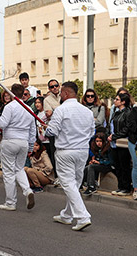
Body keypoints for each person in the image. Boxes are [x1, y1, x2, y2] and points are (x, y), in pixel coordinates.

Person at [45, 80, 95, 231]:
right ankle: (67, 215)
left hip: (66, 151)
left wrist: (45, 129)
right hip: (82, 151)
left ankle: (83, 216)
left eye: (61, 92)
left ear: (66, 93)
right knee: (75, 184)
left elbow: (52, 131)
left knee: (68, 184)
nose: (59, 94)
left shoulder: (61, 110)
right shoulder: (87, 111)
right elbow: (92, 132)